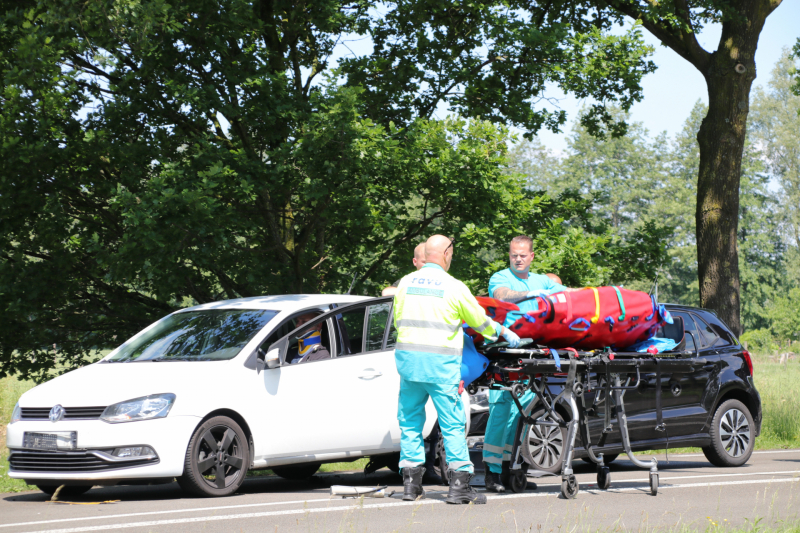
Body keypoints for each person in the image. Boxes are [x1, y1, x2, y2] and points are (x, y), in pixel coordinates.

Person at [393, 235, 521, 504]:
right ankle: (460, 485)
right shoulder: (453, 286)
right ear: (447, 253)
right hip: (439, 367)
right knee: (452, 424)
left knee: (409, 422)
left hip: (409, 365)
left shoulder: (405, 283)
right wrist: (501, 331)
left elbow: (398, 320)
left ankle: (410, 485)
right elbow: (478, 321)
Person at [482, 235, 570, 493]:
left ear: (532, 256)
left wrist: (604, 295)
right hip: (506, 354)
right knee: (501, 412)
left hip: (533, 354)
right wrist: (530, 294)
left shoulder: (542, 280)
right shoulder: (500, 278)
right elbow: (503, 296)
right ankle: (492, 473)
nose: (518, 259)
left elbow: (566, 294)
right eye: (513, 255)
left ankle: (515, 470)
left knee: (524, 415)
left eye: (522, 255)